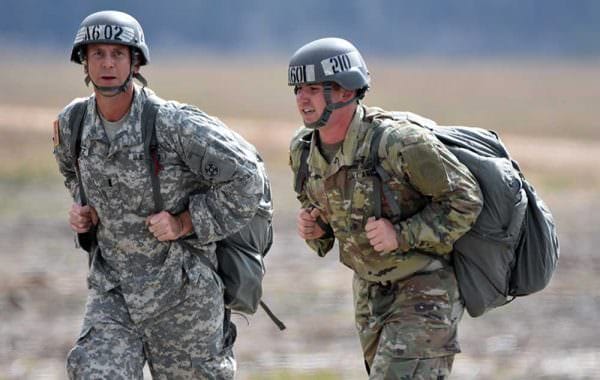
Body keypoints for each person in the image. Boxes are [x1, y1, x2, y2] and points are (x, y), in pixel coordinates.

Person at [53, 10, 270, 379]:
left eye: (118, 54)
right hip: (114, 294)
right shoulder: (73, 124)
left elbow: (248, 177)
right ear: (84, 63)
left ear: (135, 62)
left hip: (183, 298)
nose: (108, 64)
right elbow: (72, 173)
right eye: (98, 54)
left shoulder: (174, 125)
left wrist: (185, 222)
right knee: (93, 371)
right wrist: (83, 208)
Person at [288, 37, 483, 379]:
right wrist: (317, 231)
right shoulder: (304, 151)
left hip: (425, 289)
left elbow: (466, 200)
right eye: (298, 89)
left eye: (315, 89)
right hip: (369, 295)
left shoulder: (399, 143)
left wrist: (401, 235)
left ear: (346, 91)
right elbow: (327, 231)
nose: (302, 98)